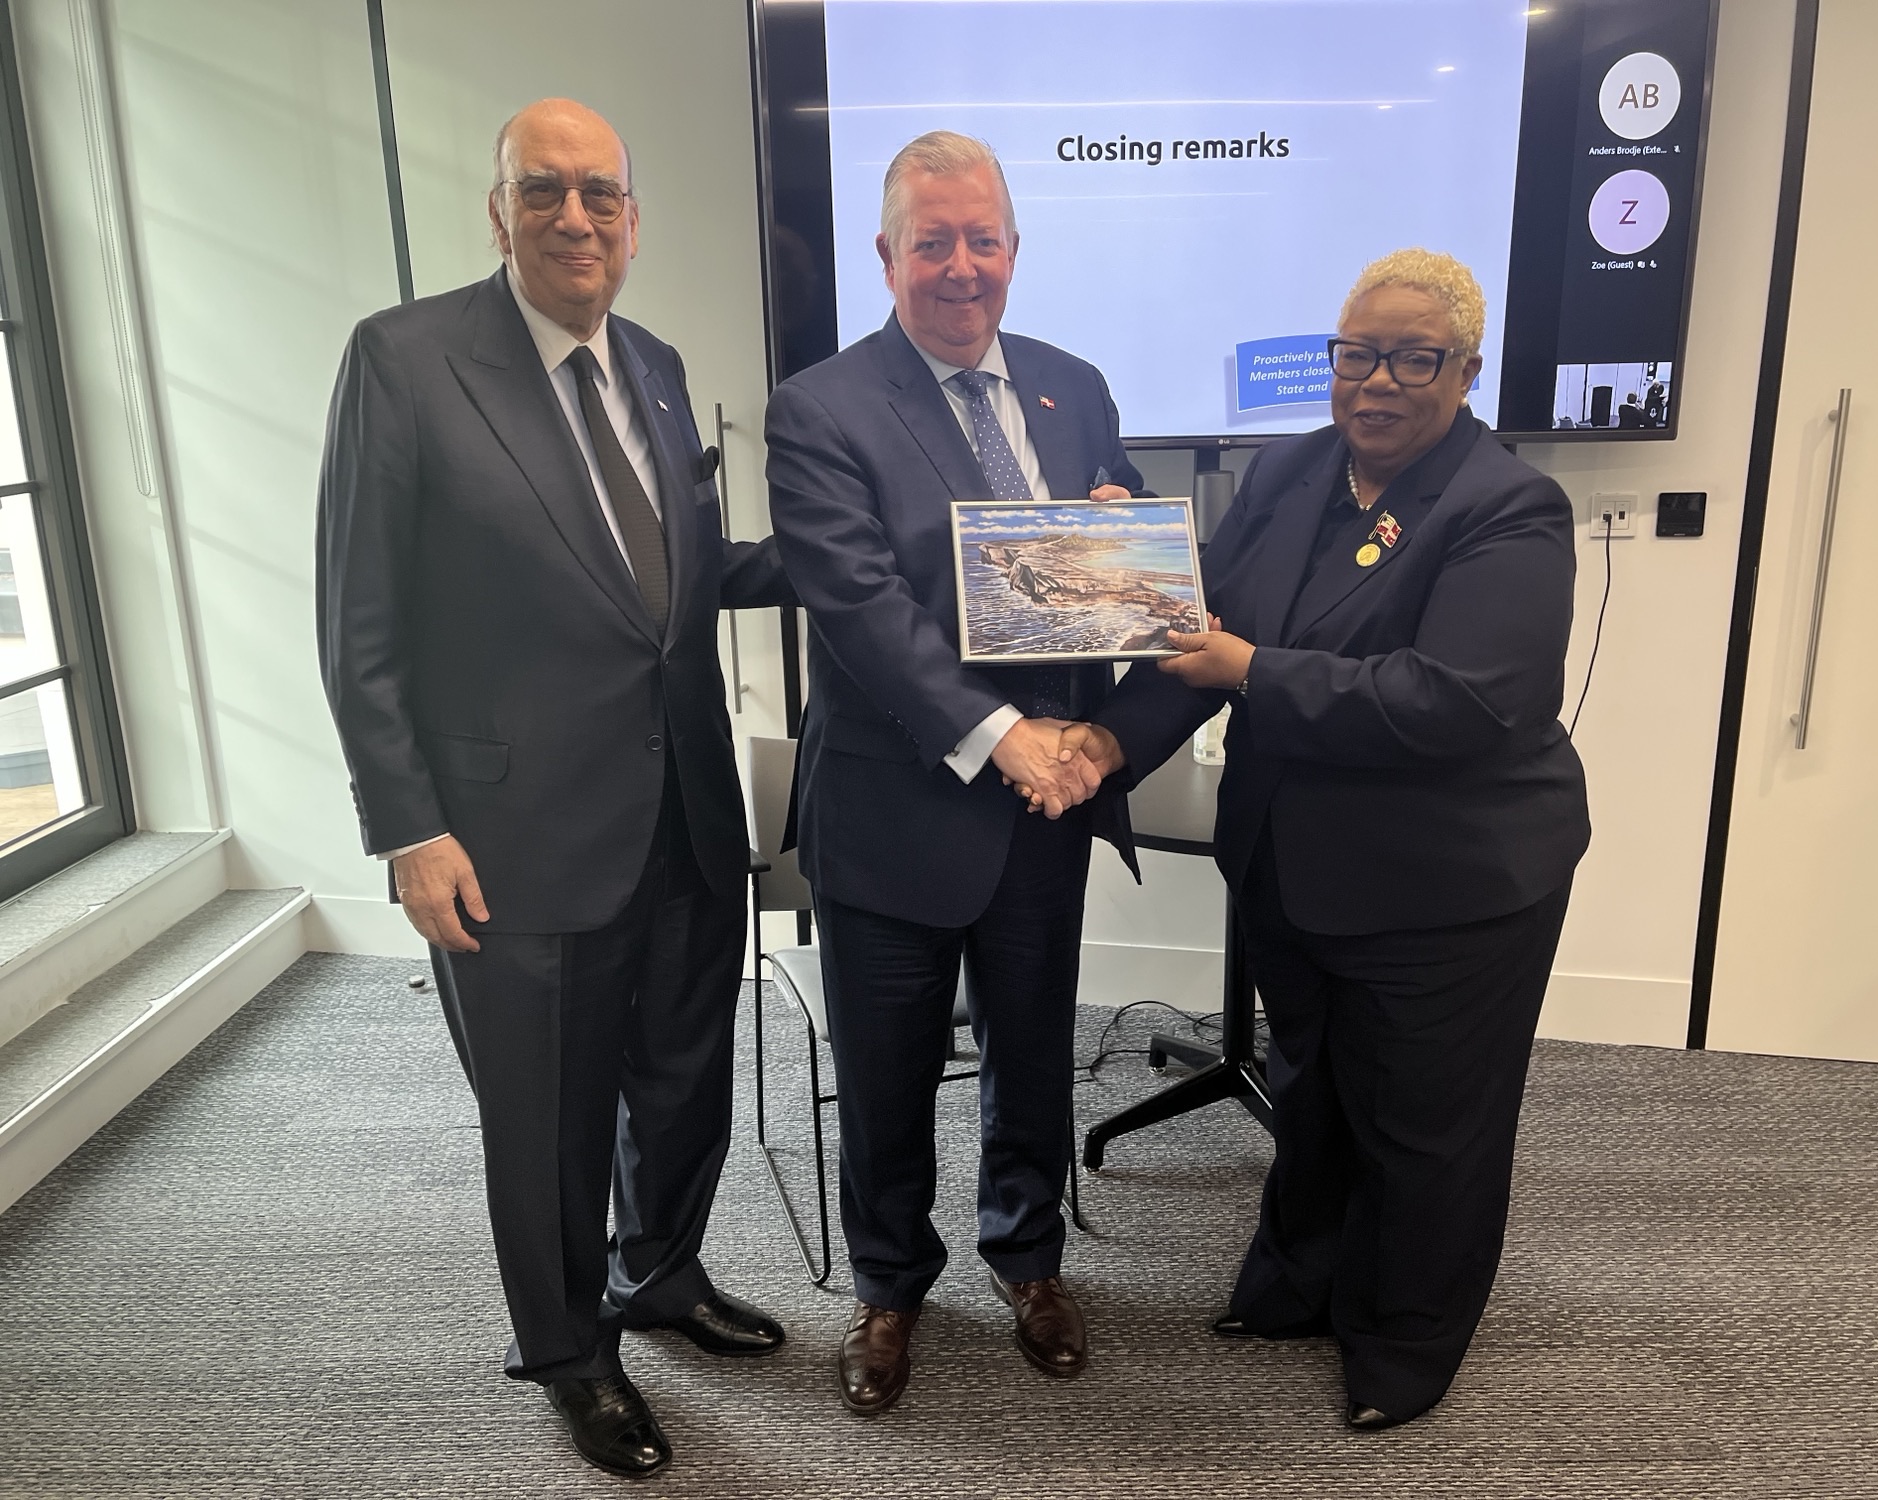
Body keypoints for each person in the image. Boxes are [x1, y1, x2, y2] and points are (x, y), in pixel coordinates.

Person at [317, 98, 793, 1479]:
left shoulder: (654, 363)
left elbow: (680, 582)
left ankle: (661, 1276)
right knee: (546, 1121)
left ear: (634, 221)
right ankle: (570, 1352)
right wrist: (409, 826)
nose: (575, 217)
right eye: (544, 190)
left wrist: (868, 551)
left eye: (600, 194)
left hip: (685, 812)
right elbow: (358, 622)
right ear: (499, 210)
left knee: (683, 1081)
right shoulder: (405, 361)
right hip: (511, 832)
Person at [1072, 248, 1590, 1430]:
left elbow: (1456, 700)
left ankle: (1403, 1341)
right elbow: (1198, 634)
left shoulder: (1505, 506)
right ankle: (1297, 1283)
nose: (1377, 381)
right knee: (1313, 1093)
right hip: (1292, 866)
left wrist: (1248, 668)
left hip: (1446, 883)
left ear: (1464, 370)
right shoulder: (1293, 470)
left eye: (1412, 358)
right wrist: (1104, 735)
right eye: (1356, 354)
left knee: (1425, 1123)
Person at [763, 130, 1147, 1416]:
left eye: (983, 239)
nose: (961, 266)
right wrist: (1001, 735)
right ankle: (888, 1286)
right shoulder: (820, 408)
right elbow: (862, 608)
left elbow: (1110, 553)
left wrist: (1115, 531)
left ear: (1014, 250)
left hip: (1046, 808)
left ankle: (1028, 1260)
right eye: (932, 242)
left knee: (1033, 1052)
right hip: (895, 808)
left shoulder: (1073, 386)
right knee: (885, 1075)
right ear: (886, 257)